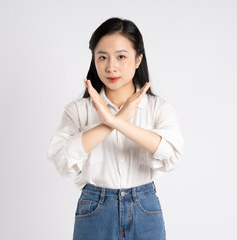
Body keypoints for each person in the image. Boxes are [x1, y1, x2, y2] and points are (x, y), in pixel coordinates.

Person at [46, 17, 184, 240]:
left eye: (121, 57)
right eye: (102, 57)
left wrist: (117, 122)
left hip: (144, 208)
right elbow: (61, 159)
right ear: (94, 59)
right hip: (94, 210)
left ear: (138, 59)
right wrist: (109, 123)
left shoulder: (158, 108)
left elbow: (171, 154)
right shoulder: (78, 110)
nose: (111, 67)